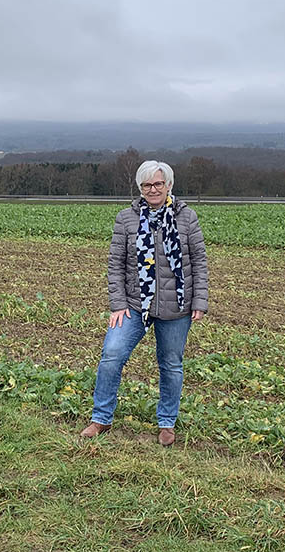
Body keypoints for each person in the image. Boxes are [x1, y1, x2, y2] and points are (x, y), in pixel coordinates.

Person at [79, 160, 208, 446]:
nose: (153, 189)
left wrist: (199, 300)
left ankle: (166, 423)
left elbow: (198, 261)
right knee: (111, 354)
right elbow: (115, 264)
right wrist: (117, 304)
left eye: (158, 184)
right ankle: (101, 418)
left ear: (169, 186)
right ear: (140, 188)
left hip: (177, 307)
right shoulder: (126, 219)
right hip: (135, 305)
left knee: (171, 364)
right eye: (147, 185)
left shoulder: (187, 218)